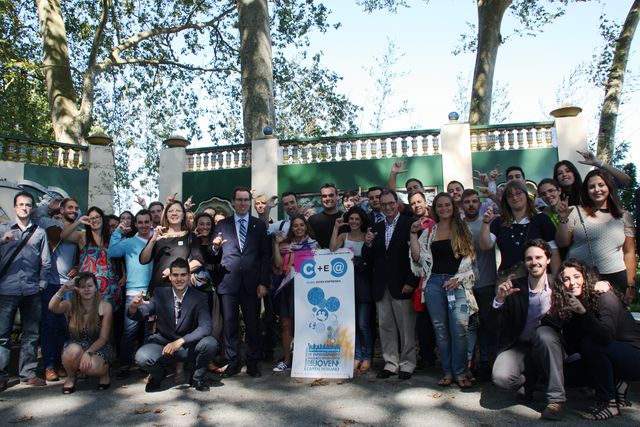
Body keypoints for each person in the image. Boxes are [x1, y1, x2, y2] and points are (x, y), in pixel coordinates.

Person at [551, 259, 640, 420]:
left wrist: (583, 313)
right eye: (566, 279)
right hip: (612, 355)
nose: (572, 283)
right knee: (569, 374)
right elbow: (573, 345)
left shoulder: (605, 297)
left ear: (586, 278)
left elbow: (604, 337)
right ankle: (617, 384)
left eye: (577, 276)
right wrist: (572, 315)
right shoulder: (574, 303)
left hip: (634, 357)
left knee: (592, 344)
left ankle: (609, 403)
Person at [491, 239, 566, 421]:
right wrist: (499, 300)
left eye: (539, 257)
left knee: (545, 334)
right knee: (501, 377)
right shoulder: (515, 287)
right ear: (525, 262)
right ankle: (528, 380)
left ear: (548, 260)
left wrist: (603, 285)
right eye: (529, 258)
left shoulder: (559, 286)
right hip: (520, 347)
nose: (534, 262)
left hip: (549, 345)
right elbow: (498, 325)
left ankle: (556, 400)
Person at [410, 192, 477, 388]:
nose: (444, 208)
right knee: (441, 331)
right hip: (434, 285)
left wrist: (458, 278)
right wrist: (413, 233)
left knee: (460, 330)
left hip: (458, 284)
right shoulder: (429, 231)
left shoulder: (463, 228)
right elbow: (416, 258)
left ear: (453, 207)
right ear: (435, 209)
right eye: (440, 205)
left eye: (447, 205)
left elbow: (470, 260)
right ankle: (448, 372)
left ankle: (461, 371)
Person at [130, 258, 218, 392]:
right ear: (170, 277)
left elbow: (205, 327)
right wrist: (133, 308)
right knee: (141, 357)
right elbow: (143, 313)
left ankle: (197, 377)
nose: (179, 279)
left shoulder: (200, 297)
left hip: (188, 347)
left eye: (183, 275)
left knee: (210, 343)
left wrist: (180, 341)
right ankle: (158, 376)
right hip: (163, 346)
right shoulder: (160, 293)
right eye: (175, 275)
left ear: (189, 276)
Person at [212, 187, 270, 377]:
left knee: (253, 324)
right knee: (230, 325)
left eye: (246, 200)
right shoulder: (222, 225)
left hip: (252, 284)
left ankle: (252, 362)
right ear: (233, 202)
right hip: (228, 283)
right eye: (240, 200)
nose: (243, 203)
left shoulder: (259, 225)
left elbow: (265, 256)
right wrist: (215, 247)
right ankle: (233, 362)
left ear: (250, 202)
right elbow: (213, 253)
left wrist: (263, 282)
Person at [555, 169, 636, 303]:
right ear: (586, 191)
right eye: (591, 187)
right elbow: (562, 242)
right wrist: (563, 219)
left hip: (616, 277)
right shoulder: (575, 211)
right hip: (581, 279)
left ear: (609, 187)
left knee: (613, 319)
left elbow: (629, 252)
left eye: (601, 185)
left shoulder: (624, 216)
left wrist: (630, 284)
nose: (596, 189)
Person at [363, 190, 419, 380]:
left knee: (406, 328)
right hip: (381, 285)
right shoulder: (376, 227)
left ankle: (408, 363)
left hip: (402, 284)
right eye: (384, 204)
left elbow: (416, 255)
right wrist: (367, 244)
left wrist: (411, 281)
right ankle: (390, 363)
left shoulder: (409, 224)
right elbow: (369, 259)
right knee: (386, 327)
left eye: (390, 203)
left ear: (397, 204)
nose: (387, 207)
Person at [0, 191, 51, 390]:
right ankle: (1, 376)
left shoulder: (39, 233)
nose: (24, 208)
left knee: (31, 334)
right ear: (15, 207)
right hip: (6, 289)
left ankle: (28, 373)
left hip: (32, 291)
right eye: (21, 204)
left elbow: (45, 261)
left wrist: (42, 283)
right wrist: (3, 241)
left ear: (32, 208)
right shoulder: (3, 229)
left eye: (28, 205)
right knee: (2, 336)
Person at [36, 196, 81, 381]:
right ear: (61, 210)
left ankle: (63, 364)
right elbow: (37, 216)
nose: (73, 210)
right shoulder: (52, 226)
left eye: (76, 208)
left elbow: (83, 254)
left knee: (66, 328)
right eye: (69, 207)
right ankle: (49, 366)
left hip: (70, 286)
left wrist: (78, 267)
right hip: (52, 284)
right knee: (49, 326)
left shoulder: (79, 231)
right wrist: (48, 206)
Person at [479, 179, 560, 281]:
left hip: (538, 279)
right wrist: (486, 223)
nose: (515, 197)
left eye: (518, 193)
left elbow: (554, 250)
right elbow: (485, 245)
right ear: (506, 200)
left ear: (526, 195)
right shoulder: (499, 222)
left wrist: (555, 278)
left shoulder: (541, 219)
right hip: (507, 281)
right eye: (510, 195)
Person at [48, 272, 113, 394]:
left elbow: (104, 338)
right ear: (77, 289)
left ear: (95, 288)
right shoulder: (70, 305)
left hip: (99, 346)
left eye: (90, 285)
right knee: (70, 351)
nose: (87, 289)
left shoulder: (105, 306)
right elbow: (52, 307)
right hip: (77, 344)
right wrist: (62, 290)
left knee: (93, 367)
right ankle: (71, 377)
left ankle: (104, 374)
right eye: (82, 287)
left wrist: (88, 353)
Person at [107, 209, 153, 378]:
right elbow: (112, 252)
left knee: (149, 330)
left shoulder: (156, 240)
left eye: (146, 222)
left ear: (150, 222)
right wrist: (118, 231)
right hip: (133, 292)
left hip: (152, 292)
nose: (143, 225)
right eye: (140, 222)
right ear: (135, 224)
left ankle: (146, 363)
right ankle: (125, 364)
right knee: (129, 331)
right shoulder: (128, 242)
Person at [272, 214, 319, 372]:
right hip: (287, 288)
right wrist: (276, 244)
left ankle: (304, 359)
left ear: (306, 227)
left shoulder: (314, 245)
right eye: (295, 226)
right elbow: (278, 264)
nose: (299, 228)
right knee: (286, 325)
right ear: (291, 228)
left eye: (301, 225)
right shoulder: (286, 245)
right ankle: (286, 360)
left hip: (306, 290)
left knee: (304, 324)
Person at [330, 207, 372, 373]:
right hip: (346, 286)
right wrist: (336, 227)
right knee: (352, 324)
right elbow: (332, 248)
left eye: (357, 219)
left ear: (362, 221)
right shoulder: (343, 236)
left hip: (364, 285)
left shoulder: (366, 236)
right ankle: (356, 355)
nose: (354, 222)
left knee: (363, 324)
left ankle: (367, 356)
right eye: (351, 219)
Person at [461, 189, 497, 380]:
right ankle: (469, 364)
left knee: (487, 325)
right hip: (465, 285)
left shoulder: (489, 222)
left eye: (475, 201)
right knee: (467, 327)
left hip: (487, 282)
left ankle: (486, 363)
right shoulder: (457, 226)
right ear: (461, 205)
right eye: (467, 202)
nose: (471, 205)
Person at [139, 200, 204, 294]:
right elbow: (143, 260)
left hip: (180, 289)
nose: (174, 213)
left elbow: (198, 261)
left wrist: (174, 271)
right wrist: (153, 240)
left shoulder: (190, 236)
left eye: (178, 211)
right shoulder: (158, 236)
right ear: (166, 215)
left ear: (183, 215)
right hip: (158, 288)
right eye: (170, 211)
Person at [62, 206, 119, 306]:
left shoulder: (110, 239)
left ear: (102, 218)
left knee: (105, 319)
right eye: (92, 218)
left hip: (108, 289)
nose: (95, 220)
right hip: (86, 289)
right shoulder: (83, 236)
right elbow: (63, 235)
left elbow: (118, 259)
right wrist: (79, 222)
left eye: (97, 217)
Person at [308, 183, 343, 249]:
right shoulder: (312, 220)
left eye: (331, 195)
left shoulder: (345, 218)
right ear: (321, 198)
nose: (328, 198)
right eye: (324, 196)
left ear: (337, 196)